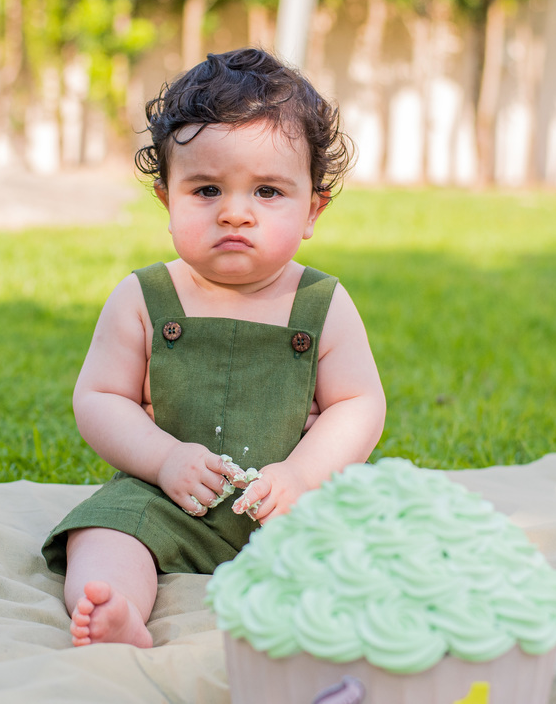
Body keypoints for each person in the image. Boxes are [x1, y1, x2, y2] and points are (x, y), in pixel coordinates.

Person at [41, 47, 387, 648]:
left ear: (312, 209)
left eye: (268, 193)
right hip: (166, 500)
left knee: (362, 543)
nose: (235, 213)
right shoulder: (144, 297)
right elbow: (99, 397)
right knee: (102, 534)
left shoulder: (322, 303)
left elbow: (358, 405)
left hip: (284, 502)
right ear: (166, 199)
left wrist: (302, 477)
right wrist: (162, 461)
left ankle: (321, 626)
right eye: (205, 190)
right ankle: (115, 609)